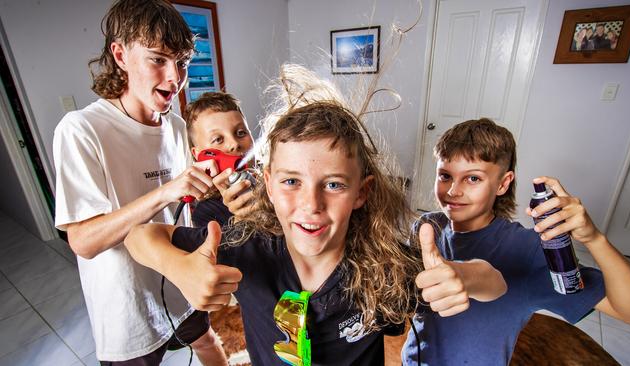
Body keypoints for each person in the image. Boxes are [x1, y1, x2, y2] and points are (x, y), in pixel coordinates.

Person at [123, 65, 507, 365]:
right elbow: (139, 236)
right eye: (292, 182)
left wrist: (463, 275)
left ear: (363, 192)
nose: (311, 204)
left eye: (334, 184)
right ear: (268, 184)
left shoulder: (384, 267)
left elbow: (496, 283)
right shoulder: (245, 247)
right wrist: (177, 267)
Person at [53, 0, 228, 364]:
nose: (174, 78)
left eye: (181, 63)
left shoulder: (177, 126)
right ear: (120, 55)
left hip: (179, 278)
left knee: (208, 342)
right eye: (158, 60)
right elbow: (83, 242)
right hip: (127, 304)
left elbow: (188, 201)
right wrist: (166, 190)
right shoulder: (82, 130)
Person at [402, 118, 630, 365]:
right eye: (445, 175)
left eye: (473, 178)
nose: (453, 191)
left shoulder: (528, 250)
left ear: (503, 183)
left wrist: (594, 239)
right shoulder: (428, 227)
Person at [182, 91, 256, 227]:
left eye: (241, 133)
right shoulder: (206, 213)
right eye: (218, 139)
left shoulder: (273, 184)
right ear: (199, 155)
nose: (234, 144)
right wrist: (241, 218)